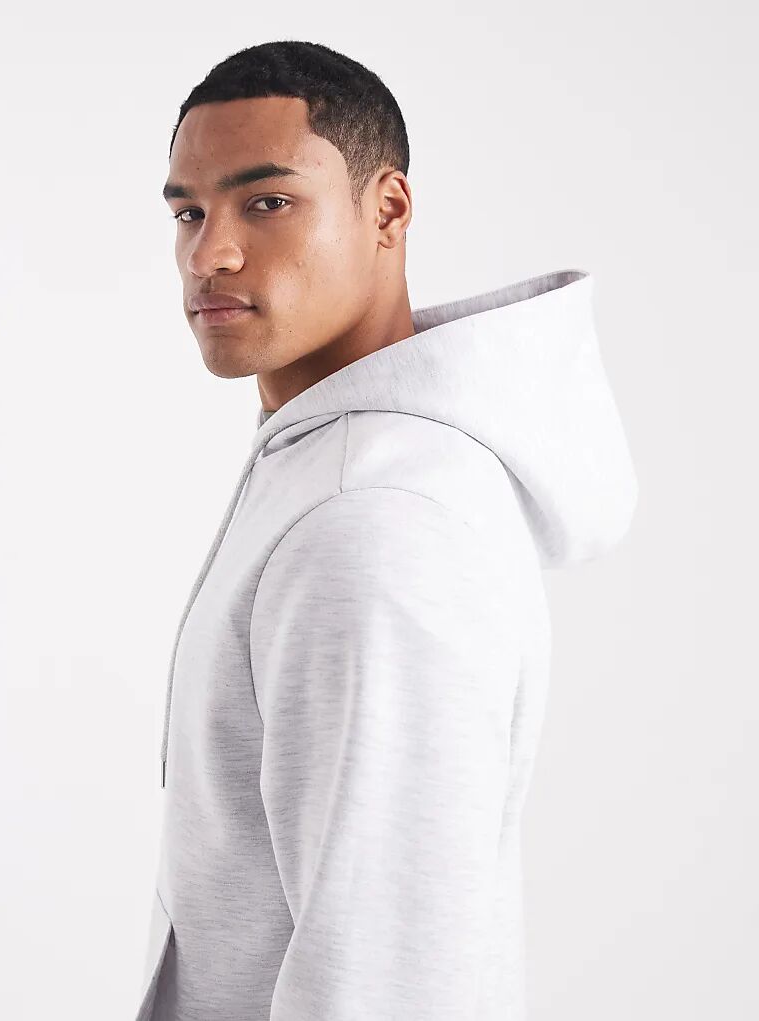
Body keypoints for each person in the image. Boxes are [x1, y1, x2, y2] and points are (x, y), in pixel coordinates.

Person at [134, 39, 639, 1021]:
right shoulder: (326, 469)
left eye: (265, 202)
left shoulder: (372, 520)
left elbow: (391, 975)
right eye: (188, 212)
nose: (209, 253)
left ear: (388, 210)